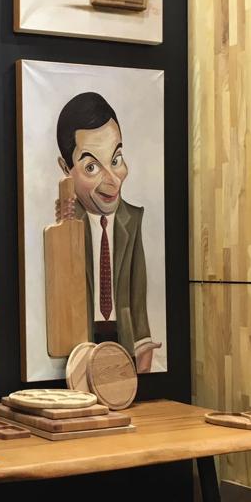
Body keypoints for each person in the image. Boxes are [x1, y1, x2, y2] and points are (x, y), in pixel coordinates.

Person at [55, 92, 161, 372]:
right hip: (80, 343)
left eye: (116, 159)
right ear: (66, 169)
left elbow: (137, 289)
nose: (113, 180)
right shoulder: (65, 227)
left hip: (122, 337)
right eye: (91, 167)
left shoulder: (132, 219)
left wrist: (143, 343)